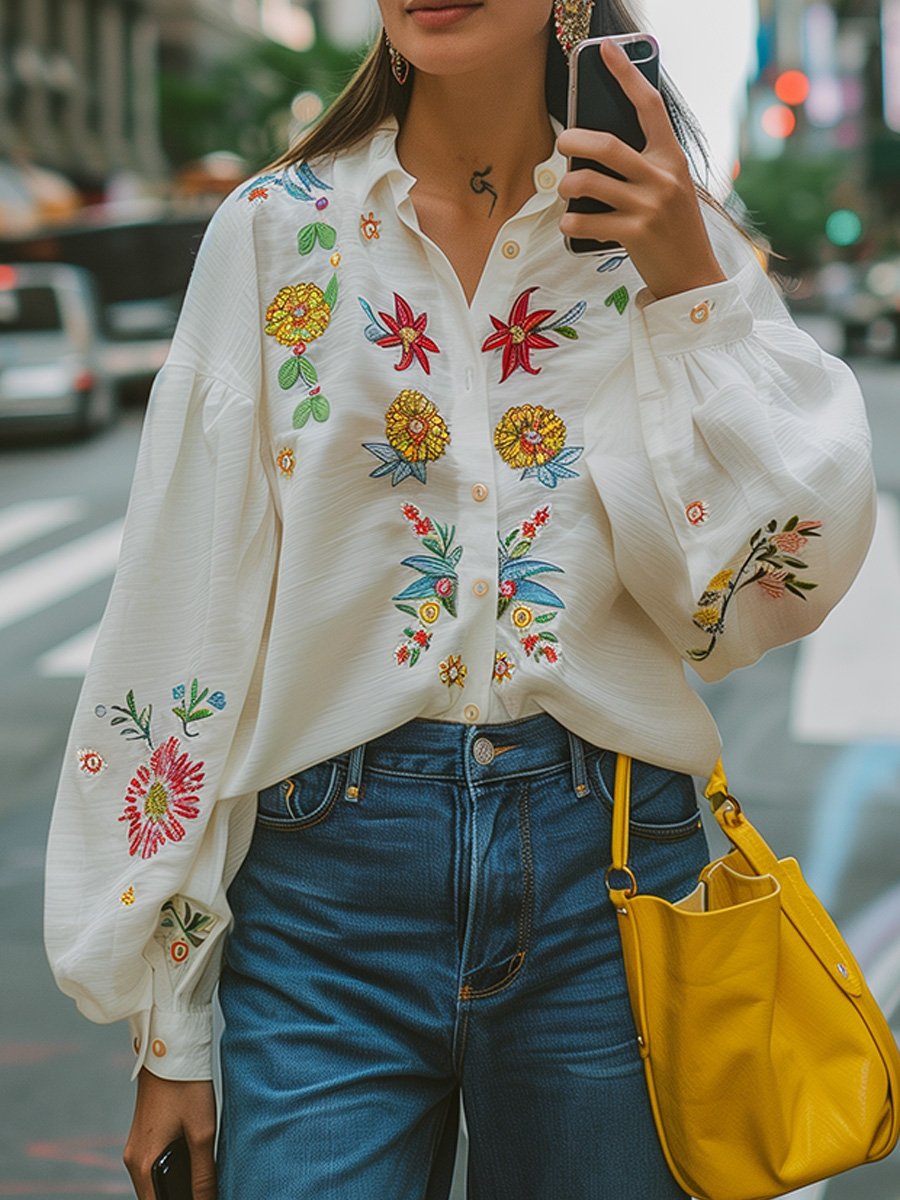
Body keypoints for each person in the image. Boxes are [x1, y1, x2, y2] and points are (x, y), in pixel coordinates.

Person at [44, 1, 877, 1197]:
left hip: (612, 883)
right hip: (321, 905)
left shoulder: (665, 240)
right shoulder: (278, 233)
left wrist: (692, 290)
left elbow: (765, 591)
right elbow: (186, 614)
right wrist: (171, 1023)